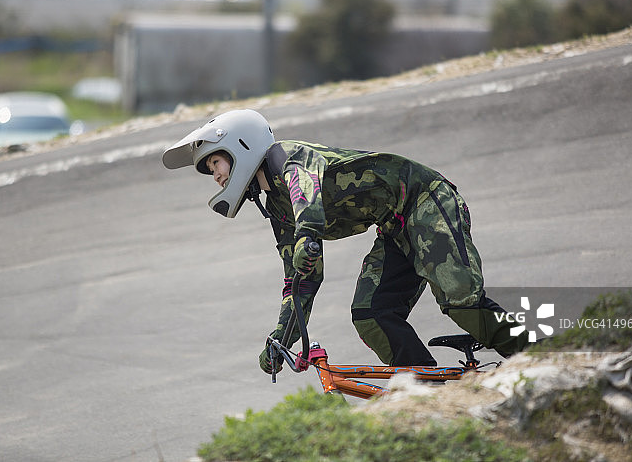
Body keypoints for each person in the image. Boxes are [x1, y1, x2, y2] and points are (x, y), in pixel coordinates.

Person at [162, 109, 530, 373]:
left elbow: (306, 194)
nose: (215, 177)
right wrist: (280, 340)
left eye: (215, 165)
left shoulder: (289, 159)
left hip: (424, 200)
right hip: (394, 227)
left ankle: (540, 356)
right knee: (371, 315)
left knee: (460, 300)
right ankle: (427, 387)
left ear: (240, 146)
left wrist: (307, 234)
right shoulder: (277, 208)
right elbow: (301, 280)